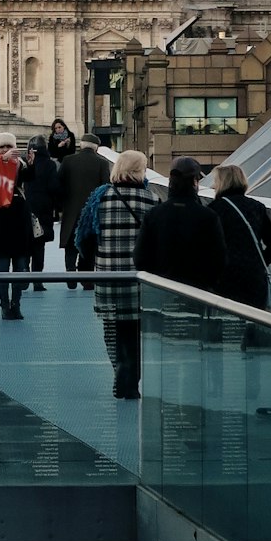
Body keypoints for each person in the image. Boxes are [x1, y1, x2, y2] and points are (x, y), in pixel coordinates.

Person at [90, 150, 160, 399]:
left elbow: (86, 237)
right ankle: (130, 379)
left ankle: (119, 372)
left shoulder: (101, 198)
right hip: (138, 279)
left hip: (107, 276)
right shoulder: (151, 200)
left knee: (112, 330)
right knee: (135, 332)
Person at [133, 156, 227, 291]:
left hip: (160, 290)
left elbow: (140, 258)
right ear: (195, 182)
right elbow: (219, 260)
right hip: (198, 292)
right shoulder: (208, 216)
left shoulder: (154, 214)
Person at [210, 164, 271, 308]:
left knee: (227, 322)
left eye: (216, 181)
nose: (213, 185)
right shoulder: (257, 207)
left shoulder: (215, 209)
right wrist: (259, 262)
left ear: (223, 182)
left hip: (226, 278)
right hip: (254, 278)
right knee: (253, 322)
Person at [0, 132, 33, 320]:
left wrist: (30, 164)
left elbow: (30, 179)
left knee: (21, 263)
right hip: (2, 215)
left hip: (19, 213)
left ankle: (17, 303)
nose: (6, 150)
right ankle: (4, 304)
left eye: (9, 147)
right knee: (4, 263)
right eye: (1, 147)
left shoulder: (19, 164)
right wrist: (2, 160)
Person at [58, 136, 111, 287]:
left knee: (70, 242)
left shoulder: (68, 160)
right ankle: (86, 278)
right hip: (91, 211)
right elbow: (105, 187)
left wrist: (62, 204)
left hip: (70, 209)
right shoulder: (102, 163)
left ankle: (70, 272)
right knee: (88, 243)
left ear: (81, 145)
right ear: (96, 147)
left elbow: (59, 184)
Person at [24, 137, 60, 291]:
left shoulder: (24, 163)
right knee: (39, 245)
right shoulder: (50, 164)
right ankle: (37, 280)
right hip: (43, 207)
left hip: (25, 207)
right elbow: (54, 187)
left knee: (24, 244)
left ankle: (23, 277)